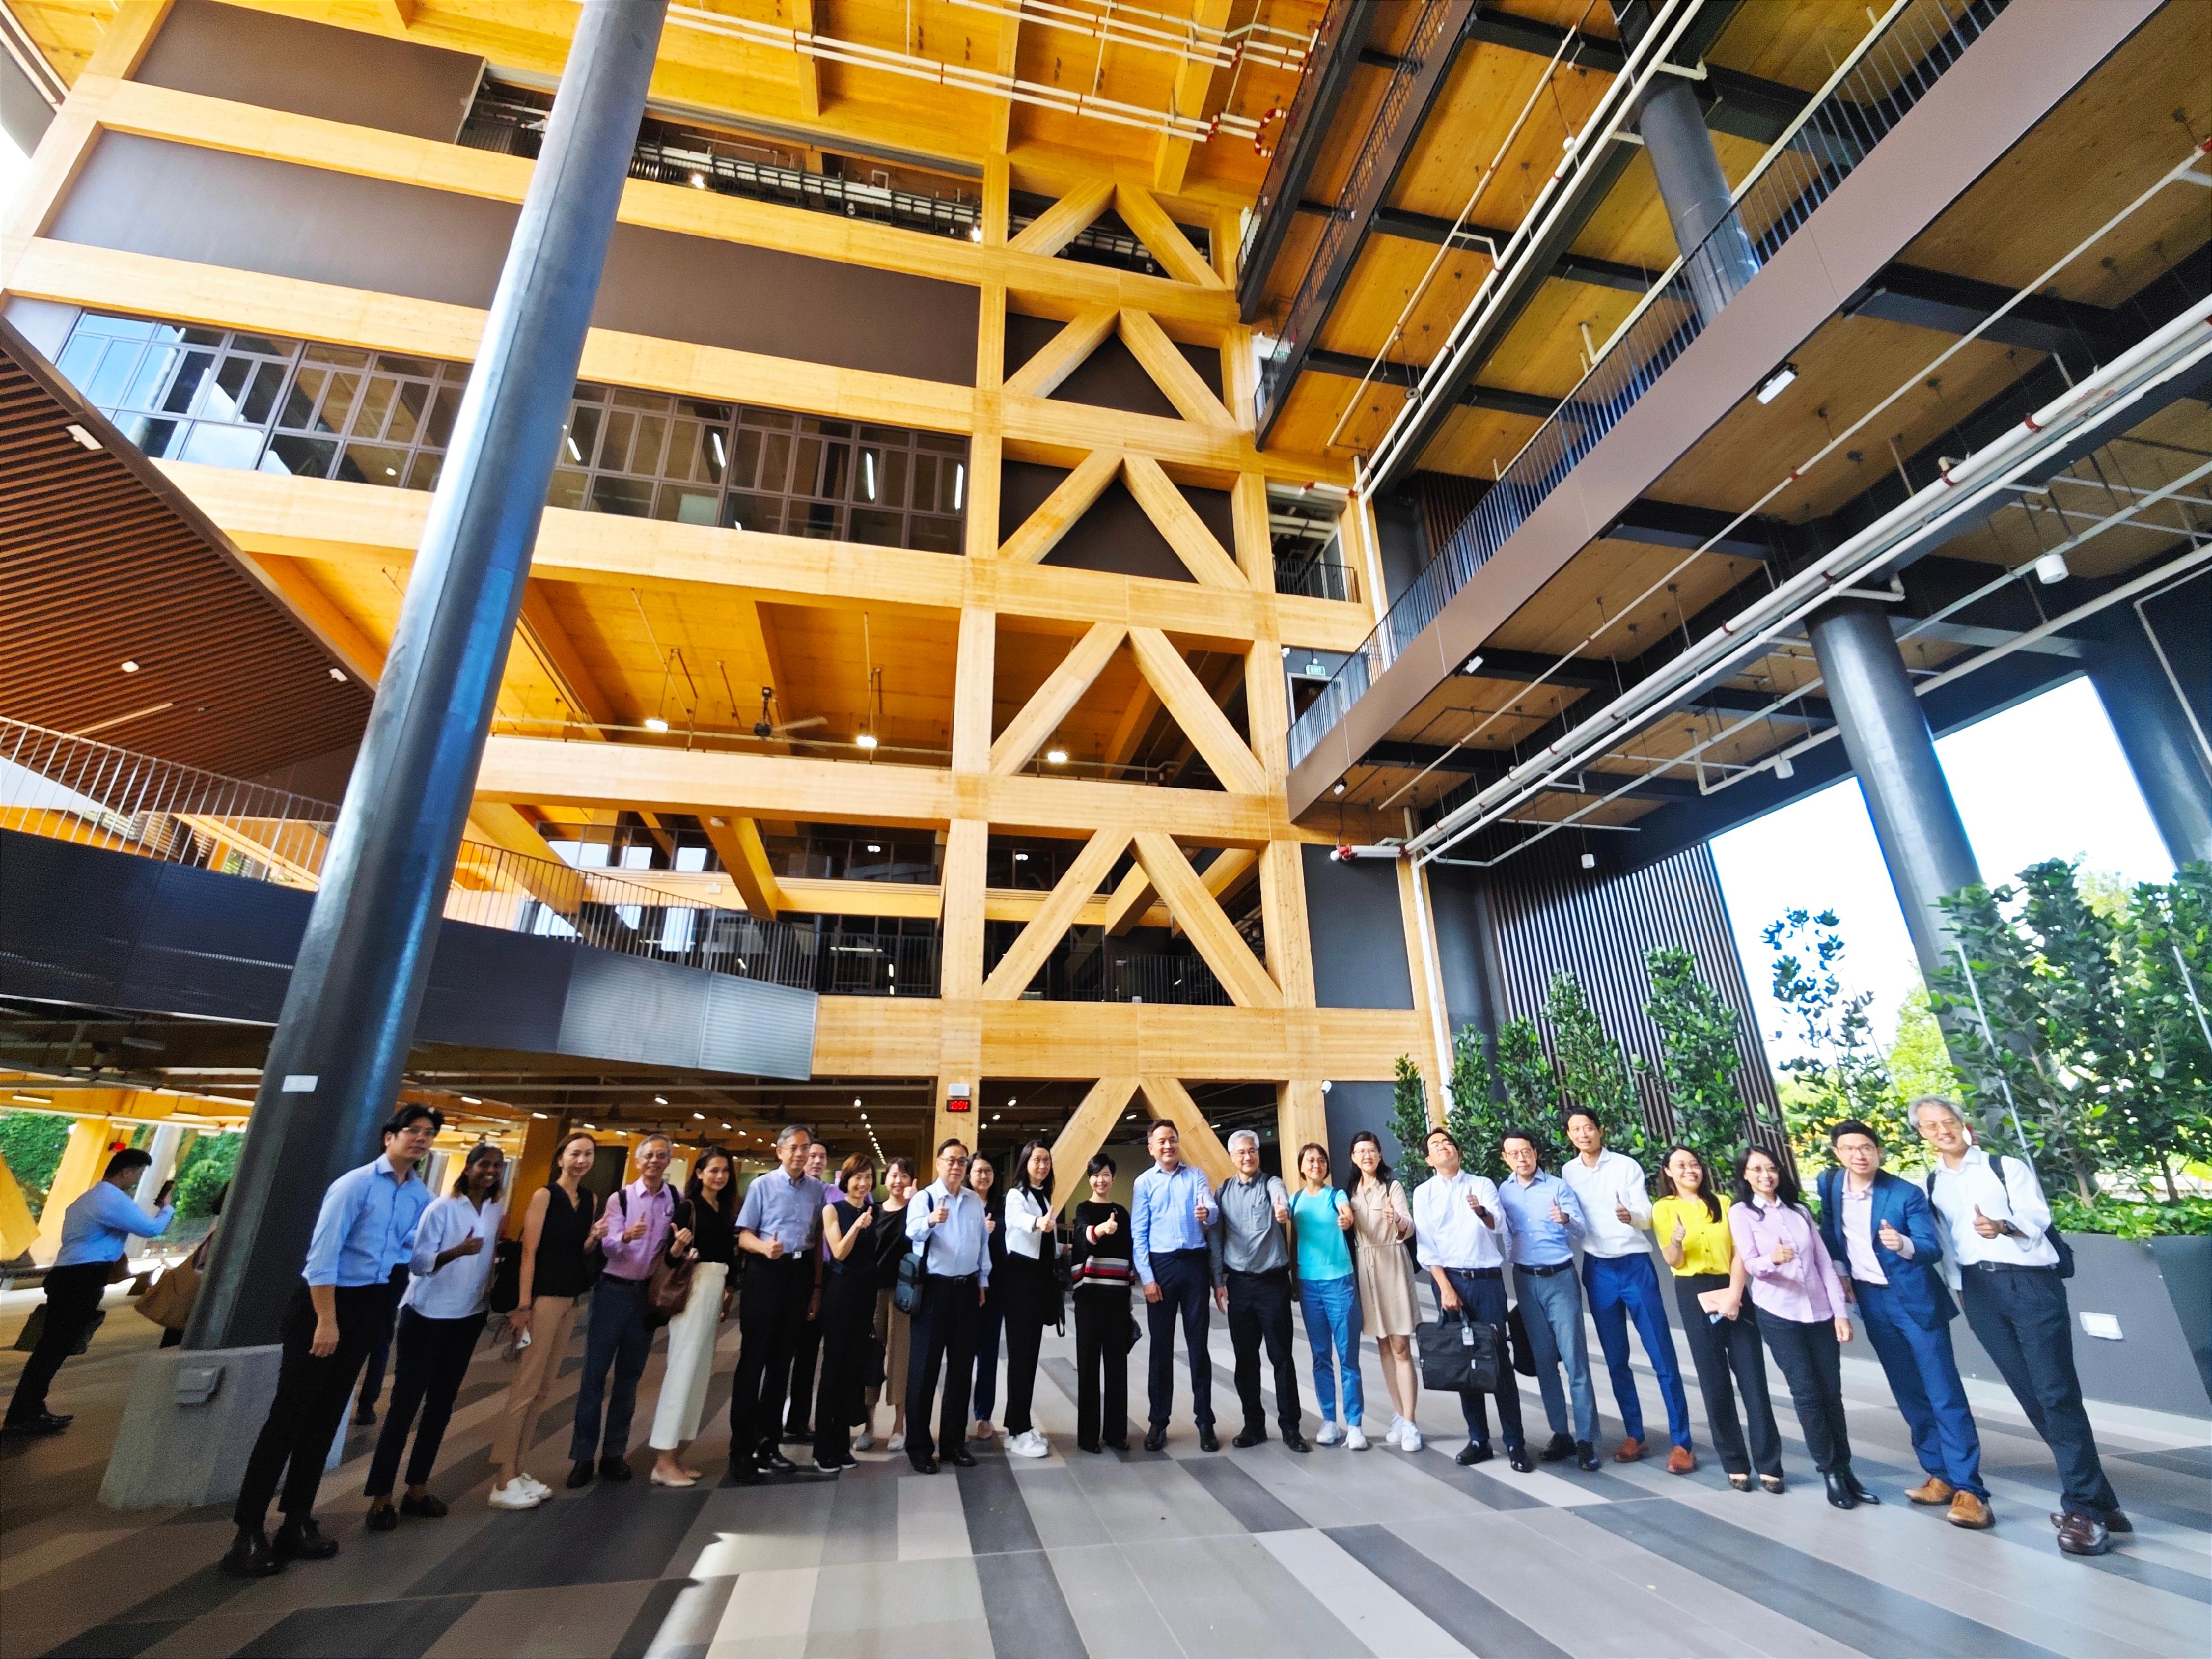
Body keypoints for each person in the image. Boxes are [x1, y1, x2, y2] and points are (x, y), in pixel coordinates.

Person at [221, 1103, 440, 1578]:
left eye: (428, 1134)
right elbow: (322, 1255)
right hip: (324, 1305)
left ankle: (296, 1522)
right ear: (390, 1137)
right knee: (288, 1418)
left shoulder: (419, 1195)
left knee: (325, 1421)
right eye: (412, 1131)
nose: (420, 1139)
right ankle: (248, 1533)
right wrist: (326, 1320)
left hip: (368, 1307)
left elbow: (405, 1253)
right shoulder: (355, 1184)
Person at [1914, 1096, 2129, 1557]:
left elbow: (2037, 1217)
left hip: (2029, 1284)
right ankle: (2102, 1502)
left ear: (1964, 1124)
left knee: (2056, 1393)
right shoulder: (1932, 1183)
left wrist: (2003, 1226)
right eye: (1932, 1127)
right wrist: (1962, 1293)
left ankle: (2086, 1512)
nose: (1943, 1131)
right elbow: (1949, 1245)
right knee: (2033, 1398)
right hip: (1979, 1293)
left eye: (1949, 1122)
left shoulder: (2003, 1166)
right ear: (1924, 1136)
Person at [1818, 1120, 1989, 1528]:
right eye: (1850, 1149)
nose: (1860, 1155)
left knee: (1943, 1391)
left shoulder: (1906, 1193)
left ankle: (1971, 1490)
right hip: (1871, 1301)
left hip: (1914, 1300)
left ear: (1878, 1152)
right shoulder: (1829, 1186)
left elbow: (1930, 1247)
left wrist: (1903, 1245)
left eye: (1867, 1148)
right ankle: (1940, 1474)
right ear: (1838, 1154)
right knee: (1909, 1392)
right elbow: (1831, 1233)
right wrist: (1842, 1275)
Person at [364, 1142, 504, 1529]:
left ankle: (418, 1489)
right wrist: (457, 1252)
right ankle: (380, 1496)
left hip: (468, 1316)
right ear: (468, 1167)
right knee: (405, 1406)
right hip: (426, 1316)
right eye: (484, 1164)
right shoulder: (442, 1208)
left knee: (441, 1407)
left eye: (497, 1166)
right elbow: (419, 1263)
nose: (490, 1171)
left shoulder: (494, 1209)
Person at [1730, 1145, 1874, 1511]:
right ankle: (1830, 1472)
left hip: (1821, 1313)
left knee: (1832, 1395)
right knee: (1807, 1394)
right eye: (1757, 1169)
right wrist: (1772, 1260)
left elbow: (1825, 1263)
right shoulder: (1742, 1213)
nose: (1766, 1175)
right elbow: (1750, 1263)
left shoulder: (1799, 1211)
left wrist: (1840, 1313)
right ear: (1746, 1175)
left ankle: (1846, 1470)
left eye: (1771, 1168)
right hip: (1779, 1313)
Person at [1560, 1109, 1694, 1473]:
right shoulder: (1568, 1173)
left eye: (1589, 1127)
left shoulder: (1625, 1166)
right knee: (1616, 1359)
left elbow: (1648, 1216)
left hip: (1635, 1266)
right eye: (1576, 1129)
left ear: (1600, 1131)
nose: (1583, 1134)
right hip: (1598, 1269)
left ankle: (1682, 1441)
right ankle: (1635, 1434)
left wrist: (1629, 1217)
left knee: (1662, 1355)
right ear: (1570, 1136)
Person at [5, 1146, 172, 1436]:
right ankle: (23, 1414)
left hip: (69, 1276)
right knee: (53, 1349)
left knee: (52, 1347)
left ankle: (29, 1409)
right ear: (127, 1171)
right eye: (139, 1173)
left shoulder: (87, 1199)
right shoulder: (111, 1199)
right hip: (82, 1279)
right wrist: (167, 1208)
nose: (137, 1179)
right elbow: (151, 1229)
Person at [1652, 1145, 1784, 1494]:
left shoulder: (1726, 1203)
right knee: (1714, 1380)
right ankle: (1735, 1463)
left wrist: (1734, 1294)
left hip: (1732, 1286)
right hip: (1693, 1290)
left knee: (1753, 1376)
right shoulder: (1664, 1208)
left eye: (1694, 1164)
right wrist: (1677, 1240)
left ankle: (1770, 1464)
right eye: (1680, 1165)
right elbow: (1673, 1260)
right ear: (1668, 1172)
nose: (1689, 1170)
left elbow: (1742, 1250)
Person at [490, 1130, 602, 1511]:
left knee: (542, 1389)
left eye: (588, 1155)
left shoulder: (589, 1199)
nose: (581, 1161)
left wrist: (594, 1239)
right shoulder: (544, 1196)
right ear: (561, 1158)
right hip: (541, 1301)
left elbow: (577, 1249)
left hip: (570, 1299)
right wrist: (524, 1306)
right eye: (575, 1154)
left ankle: (519, 1468)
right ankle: (502, 1479)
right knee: (524, 1388)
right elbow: (529, 1253)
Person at [1411, 1128, 1530, 1471]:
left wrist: (1480, 1212)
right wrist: (1445, 1288)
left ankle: (1515, 1443)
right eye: (1436, 1145)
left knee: (1497, 1359)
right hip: (1449, 1282)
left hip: (1487, 1283)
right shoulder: (1423, 1193)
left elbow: (1498, 1225)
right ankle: (1479, 1438)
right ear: (1428, 1159)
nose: (1445, 1147)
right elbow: (1427, 1247)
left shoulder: (1482, 1184)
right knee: (1464, 1361)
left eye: (1449, 1142)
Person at [569, 1132, 677, 1488]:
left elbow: (669, 1252)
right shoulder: (621, 1199)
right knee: (594, 1377)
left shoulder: (673, 1200)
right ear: (637, 1160)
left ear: (668, 1161)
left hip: (644, 1298)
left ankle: (614, 1453)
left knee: (629, 1380)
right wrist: (625, 1238)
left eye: (661, 1156)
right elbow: (609, 1247)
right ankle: (583, 1457)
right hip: (612, 1293)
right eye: (649, 1155)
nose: (654, 1161)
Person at [1491, 1129, 1600, 1471]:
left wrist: (1565, 1219)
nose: (1521, 1158)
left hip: (1560, 1278)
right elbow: (1504, 1231)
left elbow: (1582, 1229)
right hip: (1525, 1280)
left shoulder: (1556, 1186)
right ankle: (1561, 1434)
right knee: (1543, 1362)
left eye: (1526, 1152)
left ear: (1535, 1153)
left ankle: (1586, 1439)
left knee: (1575, 1361)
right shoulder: (1503, 1192)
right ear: (1505, 1159)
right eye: (1514, 1154)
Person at [729, 1125, 827, 1484]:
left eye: (807, 1148)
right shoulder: (762, 1186)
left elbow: (816, 1242)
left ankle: (770, 1445)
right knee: (753, 1363)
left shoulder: (817, 1190)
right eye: (795, 1147)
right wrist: (763, 1248)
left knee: (782, 1366)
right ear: (781, 1151)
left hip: (799, 1278)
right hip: (766, 1274)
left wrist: (816, 1289)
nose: (801, 1154)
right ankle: (741, 1451)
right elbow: (743, 1235)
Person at [1210, 1129, 1307, 1453]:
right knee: (1245, 1359)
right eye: (1241, 1153)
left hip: (1272, 1284)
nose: (1247, 1157)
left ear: (1258, 1154)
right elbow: (1216, 1238)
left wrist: (1283, 1210)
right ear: (1232, 1157)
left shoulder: (1271, 1184)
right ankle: (1254, 1425)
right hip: (1239, 1285)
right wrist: (1218, 1281)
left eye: (1252, 1151)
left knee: (1281, 1357)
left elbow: (1284, 1200)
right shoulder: (1223, 1192)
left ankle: (1291, 1428)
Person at [650, 1146, 737, 1488]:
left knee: (699, 1373)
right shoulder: (689, 1207)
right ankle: (663, 1459)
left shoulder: (721, 1208)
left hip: (715, 1287)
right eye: (713, 1170)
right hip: (694, 1287)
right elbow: (670, 1257)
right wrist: (678, 1248)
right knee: (682, 1369)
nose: (720, 1176)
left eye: (725, 1171)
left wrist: (728, 1288)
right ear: (699, 1173)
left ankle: (675, 1455)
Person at [905, 1138, 990, 1473]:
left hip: (967, 1291)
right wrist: (929, 1222)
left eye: (962, 1161)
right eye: (951, 1160)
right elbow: (910, 1234)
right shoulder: (924, 1198)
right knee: (923, 1372)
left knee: (960, 1372)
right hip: (933, 1293)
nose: (957, 1167)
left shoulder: (973, 1201)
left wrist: (983, 1280)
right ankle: (919, 1447)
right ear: (939, 1163)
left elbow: (982, 1244)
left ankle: (954, 1444)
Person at [1131, 1120, 1217, 1451]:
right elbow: (1139, 1233)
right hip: (1162, 1266)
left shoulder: (1195, 1175)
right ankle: (1158, 1421)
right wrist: (1148, 1279)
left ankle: (1205, 1422)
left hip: (1194, 1264)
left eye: (1173, 1140)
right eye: (1162, 1141)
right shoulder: (1143, 1183)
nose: (1169, 1146)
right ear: (1151, 1147)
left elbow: (1211, 1208)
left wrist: (1206, 1213)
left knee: (1199, 1346)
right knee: (1161, 1348)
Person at [1344, 1130, 1421, 1451]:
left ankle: (1412, 1422)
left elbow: (1409, 1224)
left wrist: (1398, 1220)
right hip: (1366, 1267)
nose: (1367, 1156)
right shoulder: (1349, 1191)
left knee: (1401, 1344)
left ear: (1379, 1154)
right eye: (1361, 1151)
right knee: (1383, 1346)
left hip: (1392, 1260)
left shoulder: (1393, 1186)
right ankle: (1399, 1414)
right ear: (1353, 1157)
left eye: (1372, 1150)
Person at [1287, 1144, 1362, 1449]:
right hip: (1309, 1284)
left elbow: (1347, 1215)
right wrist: (1293, 1278)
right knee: (1320, 1355)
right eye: (1310, 1160)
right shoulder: (1295, 1200)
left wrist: (1346, 1220)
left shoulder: (1336, 1196)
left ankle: (1355, 1424)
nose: (1316, 1164)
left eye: (1321, 1160)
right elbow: (1293, 1241)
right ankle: (1329, 1420)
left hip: (1339, 1282)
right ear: (1302, 1167)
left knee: (1348, 1356)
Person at [812, 1154, 880, 1473]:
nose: (863, 1183)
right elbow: (838, 1251)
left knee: (853, 1373)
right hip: (839, 1295)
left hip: (865, 1298)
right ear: (846, 1179)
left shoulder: (874, 1212)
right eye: (857, 1177)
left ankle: (841, 1446)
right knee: (833, 1371)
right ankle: (823, 1448)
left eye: (868, 1177)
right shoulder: (833, 1209)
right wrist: (857, 1225)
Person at [998, 1141, 1061, 1459]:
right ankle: (1018, 1430)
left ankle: (1018, 1424)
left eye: (1046, 1160)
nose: (1043, 1165)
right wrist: (1038, 1223)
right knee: (1021, 1356)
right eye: (1037, 1160)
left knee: (1029, 1356)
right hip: (1020, 1281)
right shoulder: (1016, 1195)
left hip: (1038, 1282)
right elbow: (1017, 1220)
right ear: (1025, 1163)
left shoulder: (1043, 1195)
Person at [1069, 1154, 1134, 1454]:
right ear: (1089, 1178)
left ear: (1113, 1178)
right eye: (1096, 1175)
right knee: (1089, 1366)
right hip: (1090, 1300)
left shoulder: (1122, 1212)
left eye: (1106, 1174)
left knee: (1117, 1366)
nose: (1101, 1179)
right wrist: (1100, 1231)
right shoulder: (1083, 1209)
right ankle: (1087, 1437)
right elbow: (1083, 1237)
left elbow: (1131, 1249)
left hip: (1118, 1299)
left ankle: (1116, 1434)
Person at [779, 1138, 833, 1444]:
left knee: (809, 1354)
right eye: (811, 1155)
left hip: (823, 1276)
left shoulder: (825, 1193)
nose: (815, 1160)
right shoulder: (792, 1191)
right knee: (781, 1352)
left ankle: (799, 1420)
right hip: (793, 1272)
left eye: (821, 1156)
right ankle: (771, 1420)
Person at [862, 1156, 915, 1452]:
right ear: (886, 1180)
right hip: (874, 1293)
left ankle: (898, 1426)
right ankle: (868, 1426)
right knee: (871, 1357)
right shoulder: (874, 1212)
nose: (898, 1181)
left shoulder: (916, 1212)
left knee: (900, 1359)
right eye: (894, 1175)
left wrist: (917, 1203)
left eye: (904, 1176)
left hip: (904, 1294)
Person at [968, 1152, 1005, 1442]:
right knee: (963, 1353)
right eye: (978, 1171)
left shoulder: (1000, 1207)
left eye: (988, 1171)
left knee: (989, 1355)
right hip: (966, 1288)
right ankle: (957, 1413)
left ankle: (984, 1416)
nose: (984, 1176)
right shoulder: (963, 1205)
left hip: (995, 1290)